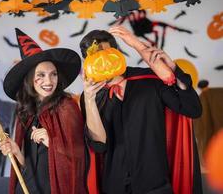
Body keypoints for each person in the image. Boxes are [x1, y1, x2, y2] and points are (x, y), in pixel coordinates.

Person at [79, 25, 203, 194]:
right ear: (87, 63)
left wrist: (172, 68)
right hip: (115, 185)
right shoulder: (90, 96)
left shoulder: (150, 80)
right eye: (95, 58)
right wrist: (89, 100)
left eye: (107, 55)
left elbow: (192, 109)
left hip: (155, 184)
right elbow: (100, 145)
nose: (103, 62)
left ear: (117, 53)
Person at [0, 28, 87, 194]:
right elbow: (29, 165)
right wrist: (16, 151)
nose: (49, 81)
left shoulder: (66, 107)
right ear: (30, 79)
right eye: (41, 75)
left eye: (53, 74)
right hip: (28, 188)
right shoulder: (25, 112)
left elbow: (81, 158)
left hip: (57, 189)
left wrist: (51, 141)